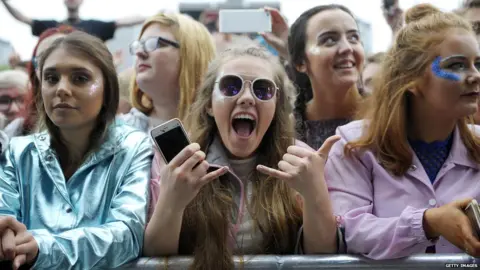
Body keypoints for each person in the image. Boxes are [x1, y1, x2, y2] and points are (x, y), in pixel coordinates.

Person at [144, 46, 343, 269]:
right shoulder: (176, 162)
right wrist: (172, 201)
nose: (247, 98)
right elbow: (155, 259)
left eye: (263, 90)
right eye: (230, 86)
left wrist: (314, 194)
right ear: (209, 104)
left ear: (276, 106)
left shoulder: (301, 161)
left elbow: (323, 258)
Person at [325, 4, 480, 259]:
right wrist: (428, 223)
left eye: (478, 63)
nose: (474, 75)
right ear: (411, 80)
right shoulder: (354, 145)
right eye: (456, 65)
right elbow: (349, 232)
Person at [0, 31, 152, 269]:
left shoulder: (136, 147)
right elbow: (4, 214)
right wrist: (5, 236)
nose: (61, 89)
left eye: (80, 78)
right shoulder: (18, 151)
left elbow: (128, 235)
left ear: (107, 89)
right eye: (51, 78)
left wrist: (42, 247)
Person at [121, 12, 216, 131]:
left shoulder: (223, 132)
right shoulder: (119, 135)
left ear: (192, 55)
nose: (139, 52)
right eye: (139, 45)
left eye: (154, 43)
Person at [288, 5, 365, 150]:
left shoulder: (392, 116)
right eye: (329, 40)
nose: (347, 47)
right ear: (300, 62)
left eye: (354, 37)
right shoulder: (284, 132)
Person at [4, 26, 76, 140]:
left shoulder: (110, 132)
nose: (53, 65)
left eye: (66, 55)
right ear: (35, 72)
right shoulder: (18, 131)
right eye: (43, 59)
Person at [1, 0, 145, 42]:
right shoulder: (50, 26)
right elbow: (22, 18)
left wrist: (152, 17)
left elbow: (123, 21)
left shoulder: (94, 26)